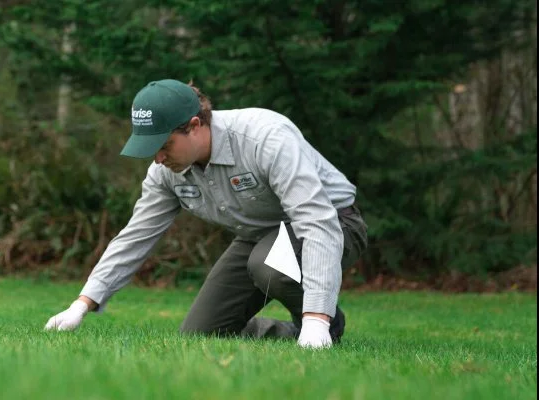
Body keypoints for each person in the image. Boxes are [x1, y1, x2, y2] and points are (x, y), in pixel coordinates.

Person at [43, 79, 369, 349]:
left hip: (334, 222)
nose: (157, 158)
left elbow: (316, 220)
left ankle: (319, 323)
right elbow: (136, 235)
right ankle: (301, 335)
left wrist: (316, 317)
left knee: (267, 263)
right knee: (201, 334)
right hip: (262, 238)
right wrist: (83, 303)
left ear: (195, 126)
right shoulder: (166, 172)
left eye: (164, 144)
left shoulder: (265, 137)